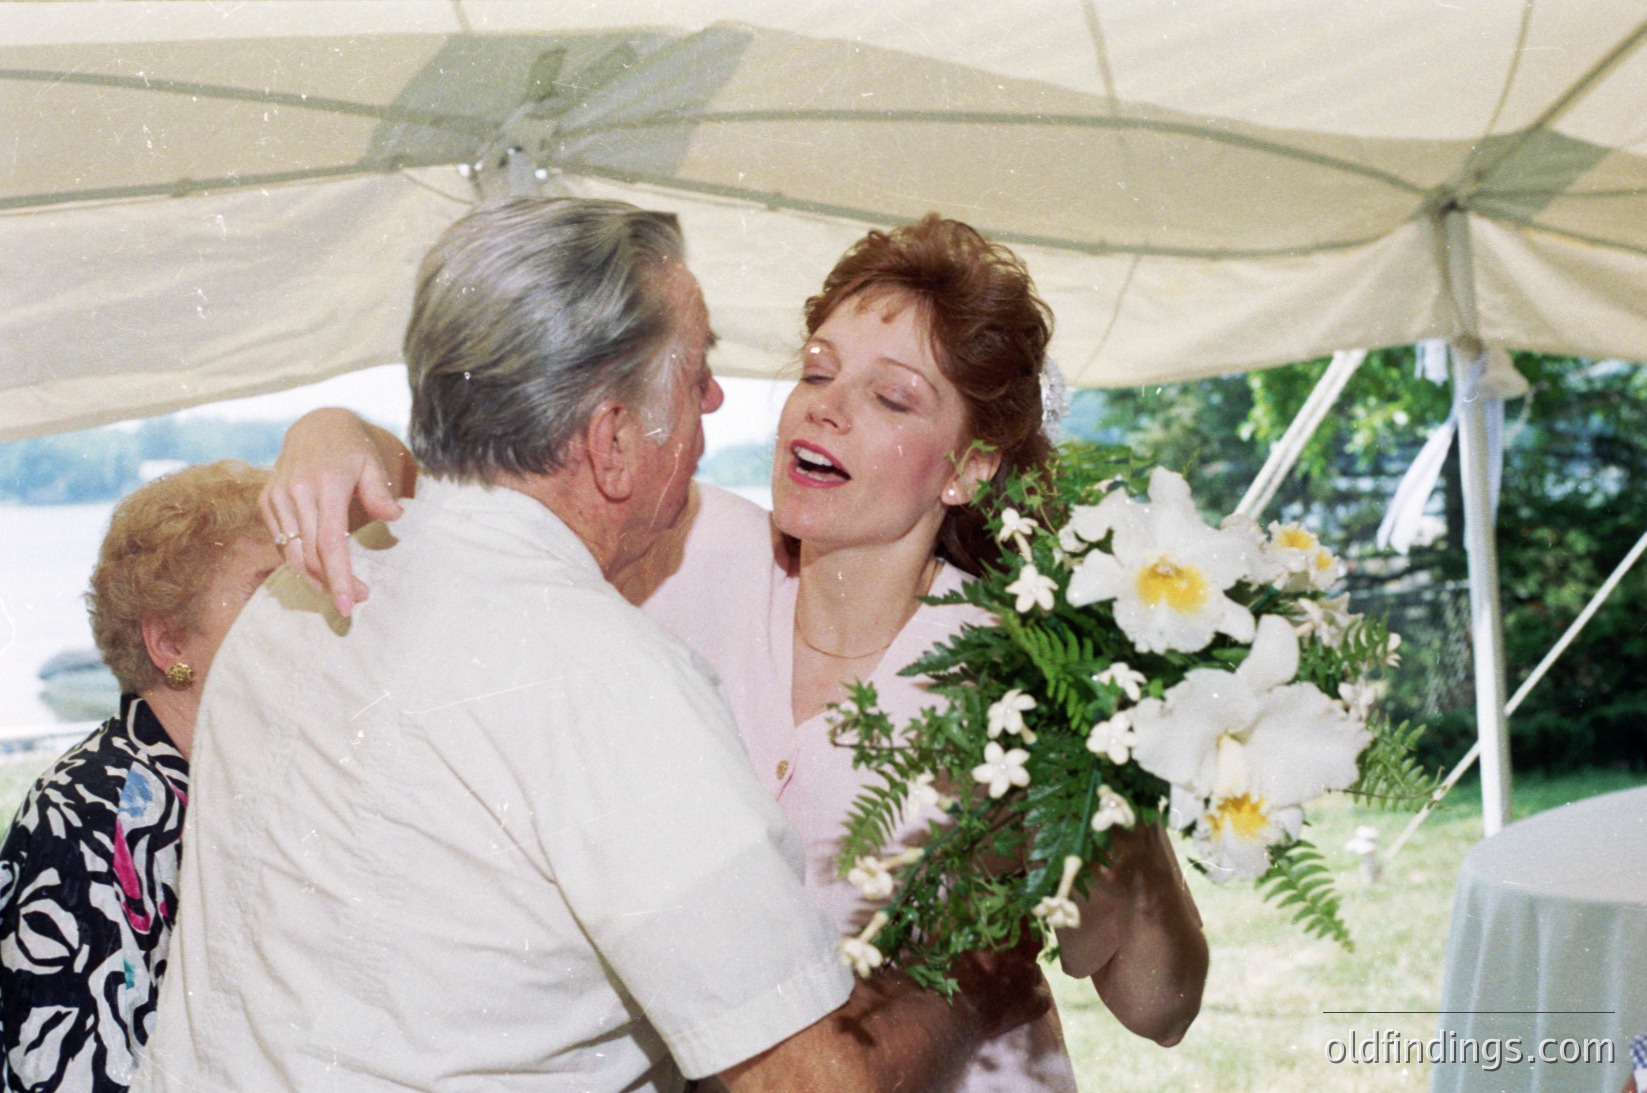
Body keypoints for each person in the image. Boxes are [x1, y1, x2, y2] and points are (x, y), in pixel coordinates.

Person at [268, 213, 1211, 1088]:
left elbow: (1160, 1007)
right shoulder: (679, 549)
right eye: (815, 370)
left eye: (887, 396)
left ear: (969, 467)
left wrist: (1112, 791)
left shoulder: (1019, 675)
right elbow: (506, 485)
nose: (823, 409)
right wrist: (334, 435)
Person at [0, 460, 279, 1093]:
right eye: (269, 593)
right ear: (171, 645)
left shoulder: (246, 779)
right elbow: (70, 1074)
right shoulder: (89, 813)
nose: (304, 618)